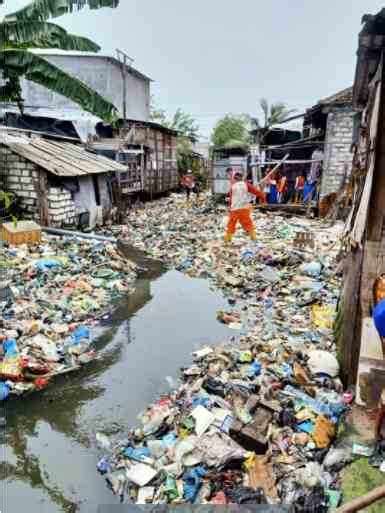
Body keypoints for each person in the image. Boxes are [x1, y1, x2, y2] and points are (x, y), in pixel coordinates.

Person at [224, 171, 265, 243]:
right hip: (244, 208)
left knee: (231, 225)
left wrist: (229, 208)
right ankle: (254, 239)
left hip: (235, 209)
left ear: (234, 178)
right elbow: (257, 192)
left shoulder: (233, 187)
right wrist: (263, 199)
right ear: (242, 178)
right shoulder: (246, 185)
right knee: (248, 224)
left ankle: (227, 240)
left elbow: (231, 199)